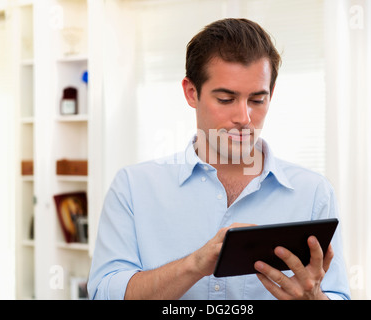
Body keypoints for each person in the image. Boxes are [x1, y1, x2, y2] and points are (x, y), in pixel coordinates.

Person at [87, 18, 351, 300]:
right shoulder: (133, 187)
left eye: (257, 100)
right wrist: (194, 265)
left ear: (271, 94)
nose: (243, 118)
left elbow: (336, 294)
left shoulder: (313, 193)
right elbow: (104, 294)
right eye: (226, 99)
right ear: (191, 93)